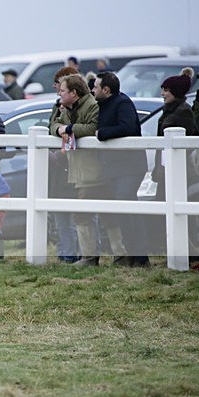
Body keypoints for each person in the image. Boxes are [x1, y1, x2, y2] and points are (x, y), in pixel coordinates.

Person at [50, 74, 126, 266]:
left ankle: (94, 257)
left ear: (74, 93)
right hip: (81, 170)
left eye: (63, 90)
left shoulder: (92, 106)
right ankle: (116, 255)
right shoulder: (66, 107)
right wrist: (60, 129)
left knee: (86, 214)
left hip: (96, 171)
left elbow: (92, 128)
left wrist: (68, 128)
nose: (59, 93)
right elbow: (52, 124)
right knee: (104, 214)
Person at [93, 71, 149, 267]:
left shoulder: (122, 103)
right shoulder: (104, 104)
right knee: (122, 209)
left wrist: (102, 134)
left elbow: (127, 127)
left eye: (96, 87)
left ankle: (141, 257)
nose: (93, 90)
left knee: (127, 204)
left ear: (106, 90)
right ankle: (131, 254)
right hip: (115, 166)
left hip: (130, 166)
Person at [47, 66, 81, 263]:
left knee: (78, 217)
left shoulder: (82, 108)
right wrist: (59, 128)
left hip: (73, 167)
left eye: (59, 84)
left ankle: (78, 254)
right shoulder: (58, 106)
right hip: (60, 170)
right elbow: (52, 126)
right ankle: (65, 254)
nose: (56, 88)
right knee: (60, 218)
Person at [152, 72, 198, 202]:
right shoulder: (168, 110)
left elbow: (189, 140)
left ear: (175, 92)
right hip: (165, 168)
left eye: (166, 90)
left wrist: (174, 156)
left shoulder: (184, 111)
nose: (162, 94)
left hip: (178, 170)